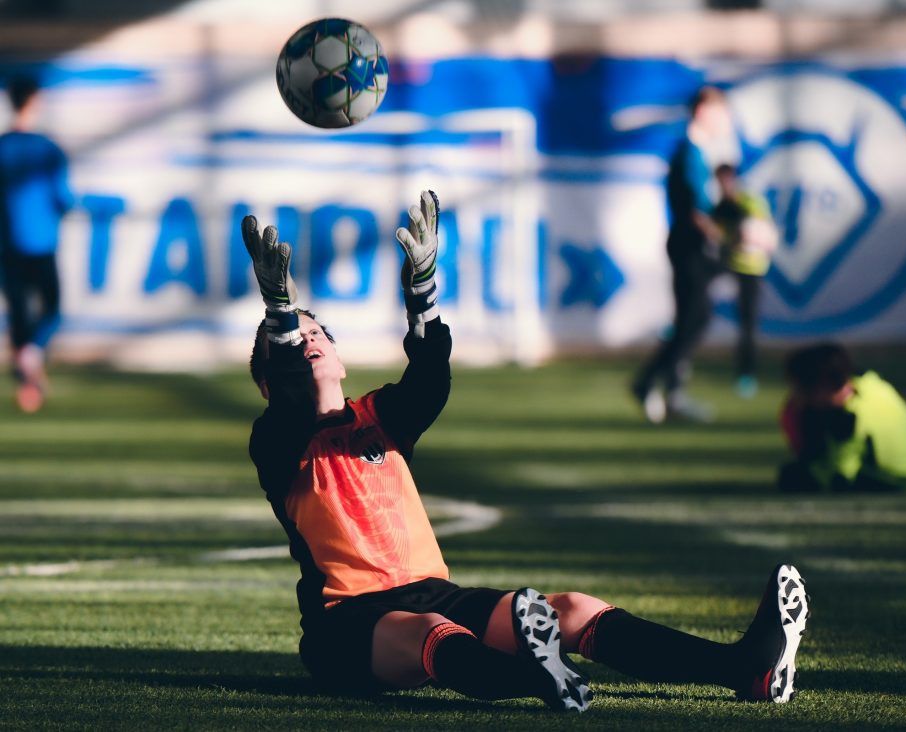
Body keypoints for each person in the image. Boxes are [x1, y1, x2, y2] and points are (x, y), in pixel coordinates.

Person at [244, 190, 810, 711]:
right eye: (292, 345)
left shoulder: (378, 417)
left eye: (318, 334)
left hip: (435, 592)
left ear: (341, 359)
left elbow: (430, 381)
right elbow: (293, 408)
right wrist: (280, 315)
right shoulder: (276, 442)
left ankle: (744, 667)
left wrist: (422, 294)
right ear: (270, 384)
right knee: (430, 635)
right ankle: (538, 677)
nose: (308, 340)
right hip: (346, 625)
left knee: (572, 609)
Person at [633, 86, 733, 424]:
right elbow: (694, 210)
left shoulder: (699, 154)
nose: (725, 122)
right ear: (704, 111)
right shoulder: (689, 153)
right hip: (689, 246)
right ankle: (650, 384)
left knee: (694, 320)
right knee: (693, 319)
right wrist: (731, 237)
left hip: (692, 245)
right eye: (721, 113)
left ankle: (670, 389)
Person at [0, 75, 73, 413]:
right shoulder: (48, 149)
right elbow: (63, 198)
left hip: (7, 243)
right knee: (52, 308)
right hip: (41, 240)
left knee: (19, 313)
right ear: (34, 101)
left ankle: (28, 381)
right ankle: (32, 359)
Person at [778, 343, 906, 493]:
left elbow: (840, 475)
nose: (797, 397)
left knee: (793, 477)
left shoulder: (847, 416)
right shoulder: (872, 384)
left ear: (820, 387)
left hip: (894, 481)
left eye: (800, 389)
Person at [711, 164, 778, 399]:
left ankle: (746, 374)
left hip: (751, 268)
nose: (723, 185)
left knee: (748, 324)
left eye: (727, 180)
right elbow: (717, 234)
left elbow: (761, 231)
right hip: (728, 262)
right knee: (696, 290)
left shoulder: (750, 202)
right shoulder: (720, 207)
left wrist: (747, 234)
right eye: (720, 181)